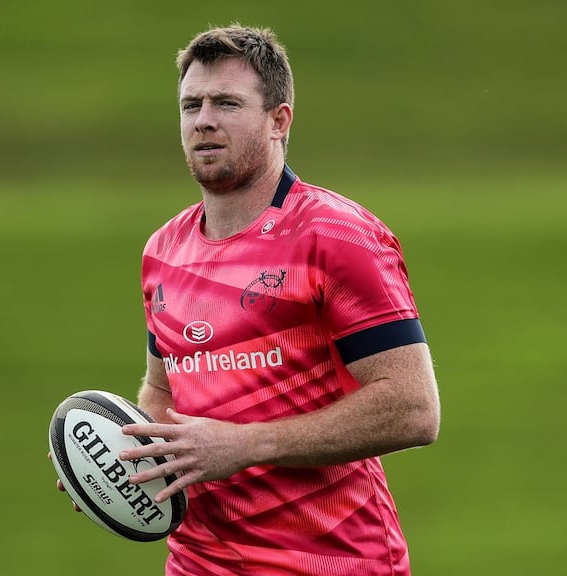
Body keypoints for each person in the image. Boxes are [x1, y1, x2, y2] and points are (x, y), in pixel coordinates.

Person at [58, 24, 440, 575]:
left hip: (334, 562)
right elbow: (164, 391)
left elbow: (413, 409)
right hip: (199, 563)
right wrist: (114, 465)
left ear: (278, 121)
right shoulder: (163, 250)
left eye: (227, 103)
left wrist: (246, 445)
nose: (204, 119)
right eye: (191, 105)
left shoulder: (336, 235)